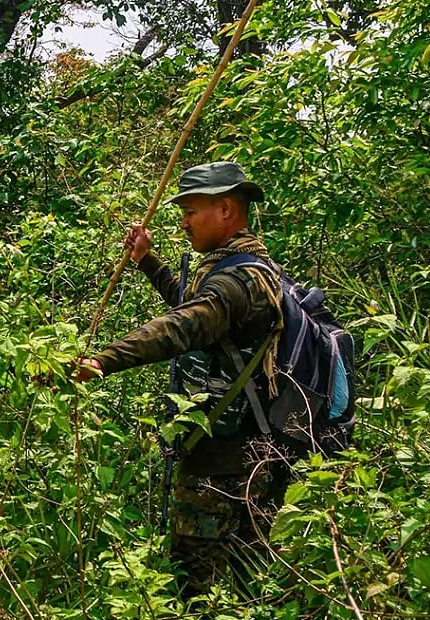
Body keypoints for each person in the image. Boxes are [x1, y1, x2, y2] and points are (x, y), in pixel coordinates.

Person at [74, 161, 290, 595]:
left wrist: (103, 361)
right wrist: (147, 261)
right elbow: (191, 306)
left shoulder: (239, 282)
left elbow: (184, 325)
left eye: (191, 212)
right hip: (247, 453)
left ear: (226, 208)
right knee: (252, 584)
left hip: (226, 465)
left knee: (196, 587)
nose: (183, 223)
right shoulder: (243, 268)